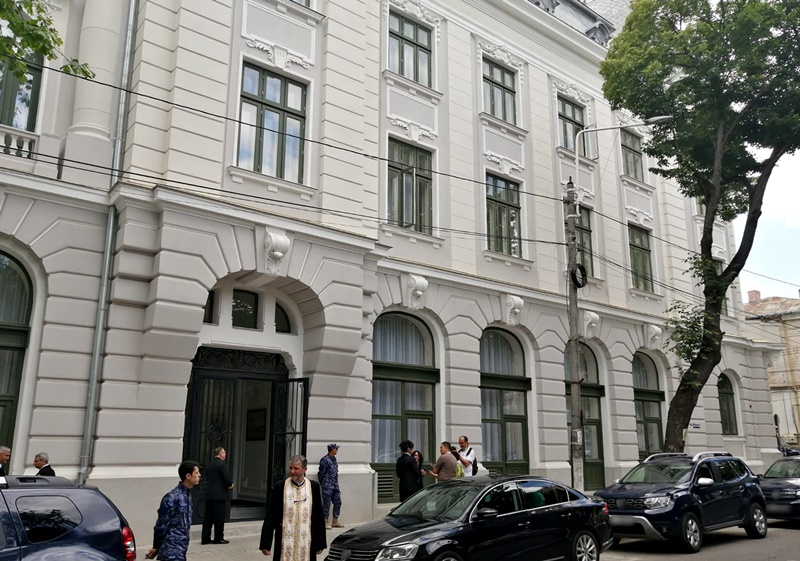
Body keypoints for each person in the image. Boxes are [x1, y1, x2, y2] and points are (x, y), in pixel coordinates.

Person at [260, 455, 327, 560]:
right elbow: (271, 515)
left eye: (296, 468)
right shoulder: (280, 487)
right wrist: (265, 543)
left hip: (307, 540)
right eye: (290, 468)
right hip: (284, 539)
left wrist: (320, 543)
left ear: (304, 469)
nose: (292, 471)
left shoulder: (313, 487)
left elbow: (318, 515)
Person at [145, 460, 201, 560]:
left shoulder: (187, 495)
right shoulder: (172, 497)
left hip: (181, 549)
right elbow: (161, 525)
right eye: (196, 473)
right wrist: (156, 546)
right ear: (188, 476)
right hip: (171, 550)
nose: (199, 475)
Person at [201, 447, 234, 545]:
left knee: (208, 517)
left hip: (209, 493)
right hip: (219, 495)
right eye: (224, 453)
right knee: (219, 517)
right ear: (220, 454)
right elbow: (227, 479)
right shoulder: (222, 464)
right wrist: (230, 486)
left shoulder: (209, 464)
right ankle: (218, 538)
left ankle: (205, 538)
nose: (225, 454)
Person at [318, 443, 343, 530]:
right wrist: (324, 483)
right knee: (326, 503)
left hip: (335, 485)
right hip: (327, 485)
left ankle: (335, 521)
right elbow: (321, 473)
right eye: (336, 448)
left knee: (338, 502)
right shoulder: (325, 460)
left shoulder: (334, 459)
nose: (337, 450)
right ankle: (325, 521)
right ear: (332, 449)